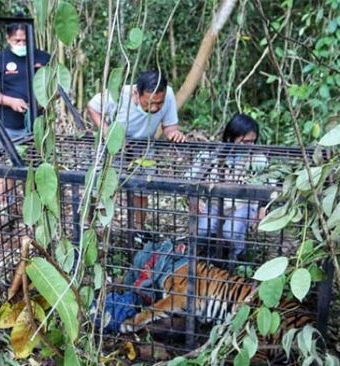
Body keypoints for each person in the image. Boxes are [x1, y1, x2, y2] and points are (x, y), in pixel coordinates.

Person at [87, 70, 187, 229]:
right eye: (149, 103)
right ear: (136, 93)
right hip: (115, 143)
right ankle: (98, 227)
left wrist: (173, 133)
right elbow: (92, 107)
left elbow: (169, 126)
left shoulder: (168, 95)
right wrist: (107, 132)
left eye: (158, 103)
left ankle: (138, 229)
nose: (154, 108)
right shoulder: (120, 94)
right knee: (105, 185)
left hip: (144, 144)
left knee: (142, 188)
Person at [197, 113, 265, 263]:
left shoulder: (258, 159)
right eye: (245, 141)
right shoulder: (211, 154)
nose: (250, 146)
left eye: (252, 142)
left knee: (231, 231)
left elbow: (268, 185)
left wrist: (262, 208)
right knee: (202, 230)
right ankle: (210, 257)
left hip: (244, 205)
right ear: (231, 137)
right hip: (215, 202)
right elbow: (190, 179)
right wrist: (194, 200)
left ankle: (238, 260)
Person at [0, 21, 50, 141]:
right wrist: (11, 102)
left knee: (39, 158)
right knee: (9, 159)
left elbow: (58, 87)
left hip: (40, 125)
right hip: (9, 127)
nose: (22, 44)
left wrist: (44, 100)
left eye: (25, 40)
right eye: (17, 41)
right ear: (8, 39)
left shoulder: (43, 58)